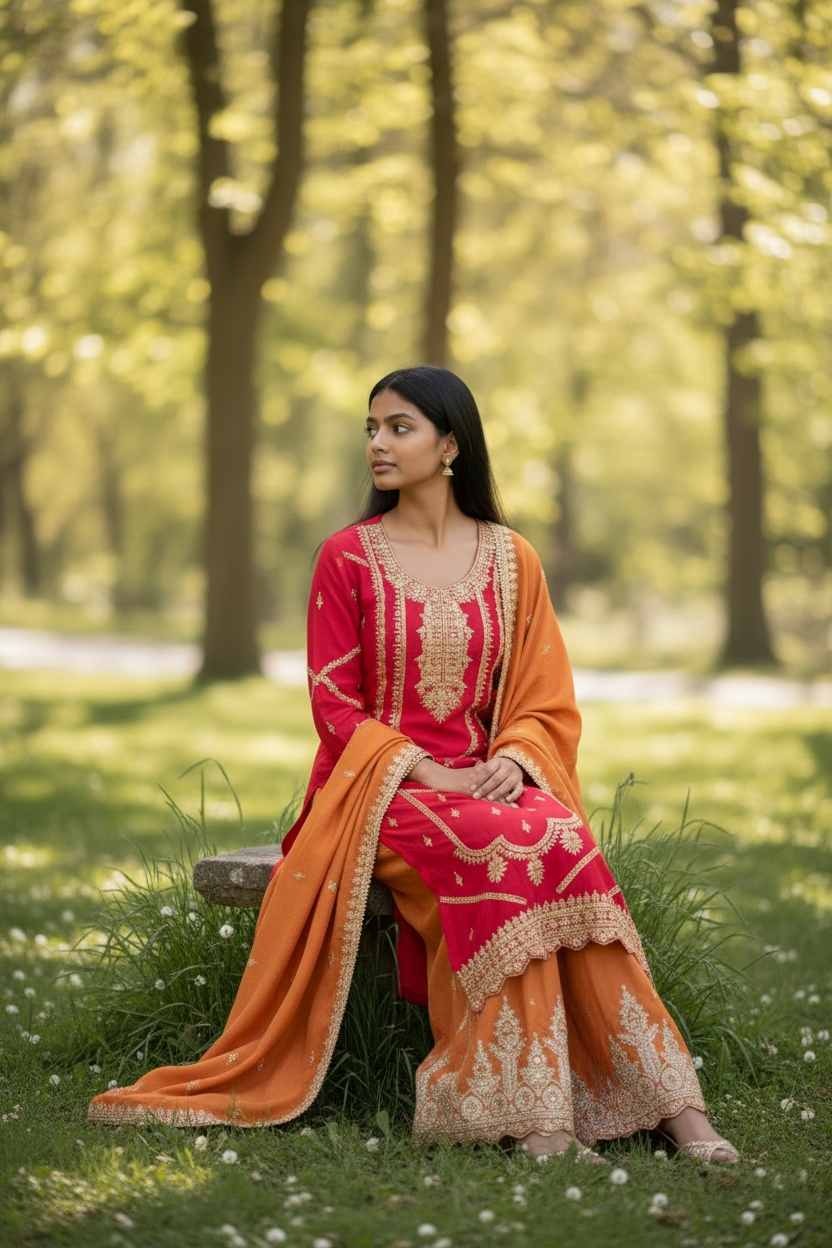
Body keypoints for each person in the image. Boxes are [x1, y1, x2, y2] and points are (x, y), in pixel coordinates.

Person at [89, 365, 738, 1163]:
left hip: (488, 780)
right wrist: (427, 772)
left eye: (399, 427)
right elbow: (333, 705)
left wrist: (514, 757)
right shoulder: (348, 559)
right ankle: (537, 1119)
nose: (378, 444)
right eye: (371, 428)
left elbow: (544, 697)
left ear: (451, 444)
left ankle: (674, 1106)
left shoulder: (513, 559)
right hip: (380, 791)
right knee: (499, 847)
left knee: (562, 839)